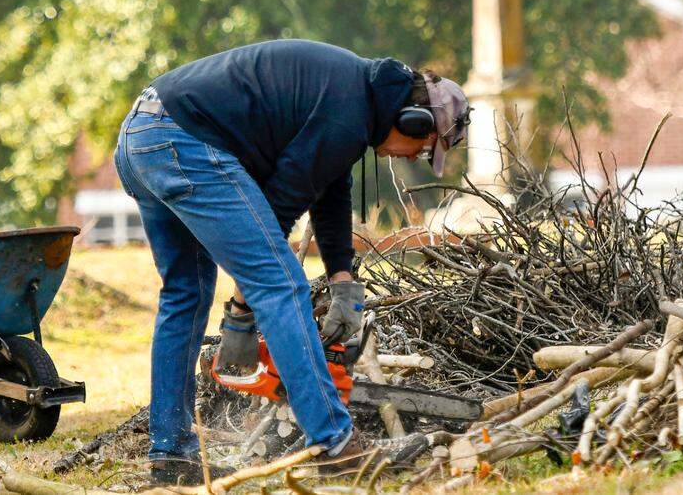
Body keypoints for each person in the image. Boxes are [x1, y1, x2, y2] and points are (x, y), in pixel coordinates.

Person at [112, 39, 470, 483]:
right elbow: (279, 207)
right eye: (421, 148)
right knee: (282, 284)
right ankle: (335, 444)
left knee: (185, 293)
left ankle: (171, 453)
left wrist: (343, 280)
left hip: (142, 135)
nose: (411, 157)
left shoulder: (353, 97)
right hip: (184, 141)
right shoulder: (350, 108)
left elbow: (329, 189)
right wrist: (241, 314)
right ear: (413, 121)